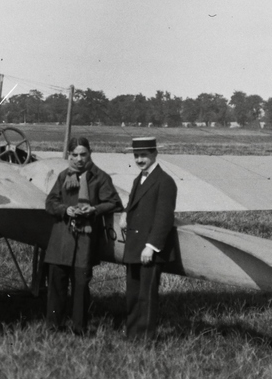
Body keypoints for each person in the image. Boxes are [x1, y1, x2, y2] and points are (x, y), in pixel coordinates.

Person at [43, 137, 121, 334]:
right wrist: (65, 210)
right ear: (69, 156)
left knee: (80, 287)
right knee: (56, 286)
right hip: (61, 239)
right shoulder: (63, 176)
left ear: (90, 153)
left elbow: (113, 202)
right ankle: (54, 326)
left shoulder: (100, 177)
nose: (79, 159)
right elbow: (50, 202)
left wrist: (93, 209)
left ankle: (80, 328)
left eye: (83, 154)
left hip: (85, 242)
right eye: (74, 155)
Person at [123, 135, 178, 340]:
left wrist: (151, 246)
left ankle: (145, 339)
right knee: (133, 295)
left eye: (144, 155)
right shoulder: (139, 179)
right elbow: (134, 205)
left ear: (155, 154)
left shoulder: (165, 181)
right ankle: (131, 335)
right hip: (134, 246)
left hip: (148, 249)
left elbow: (164, 218)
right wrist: (125, 213)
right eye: (137, 155)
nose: (139, 159)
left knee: (146, 296)